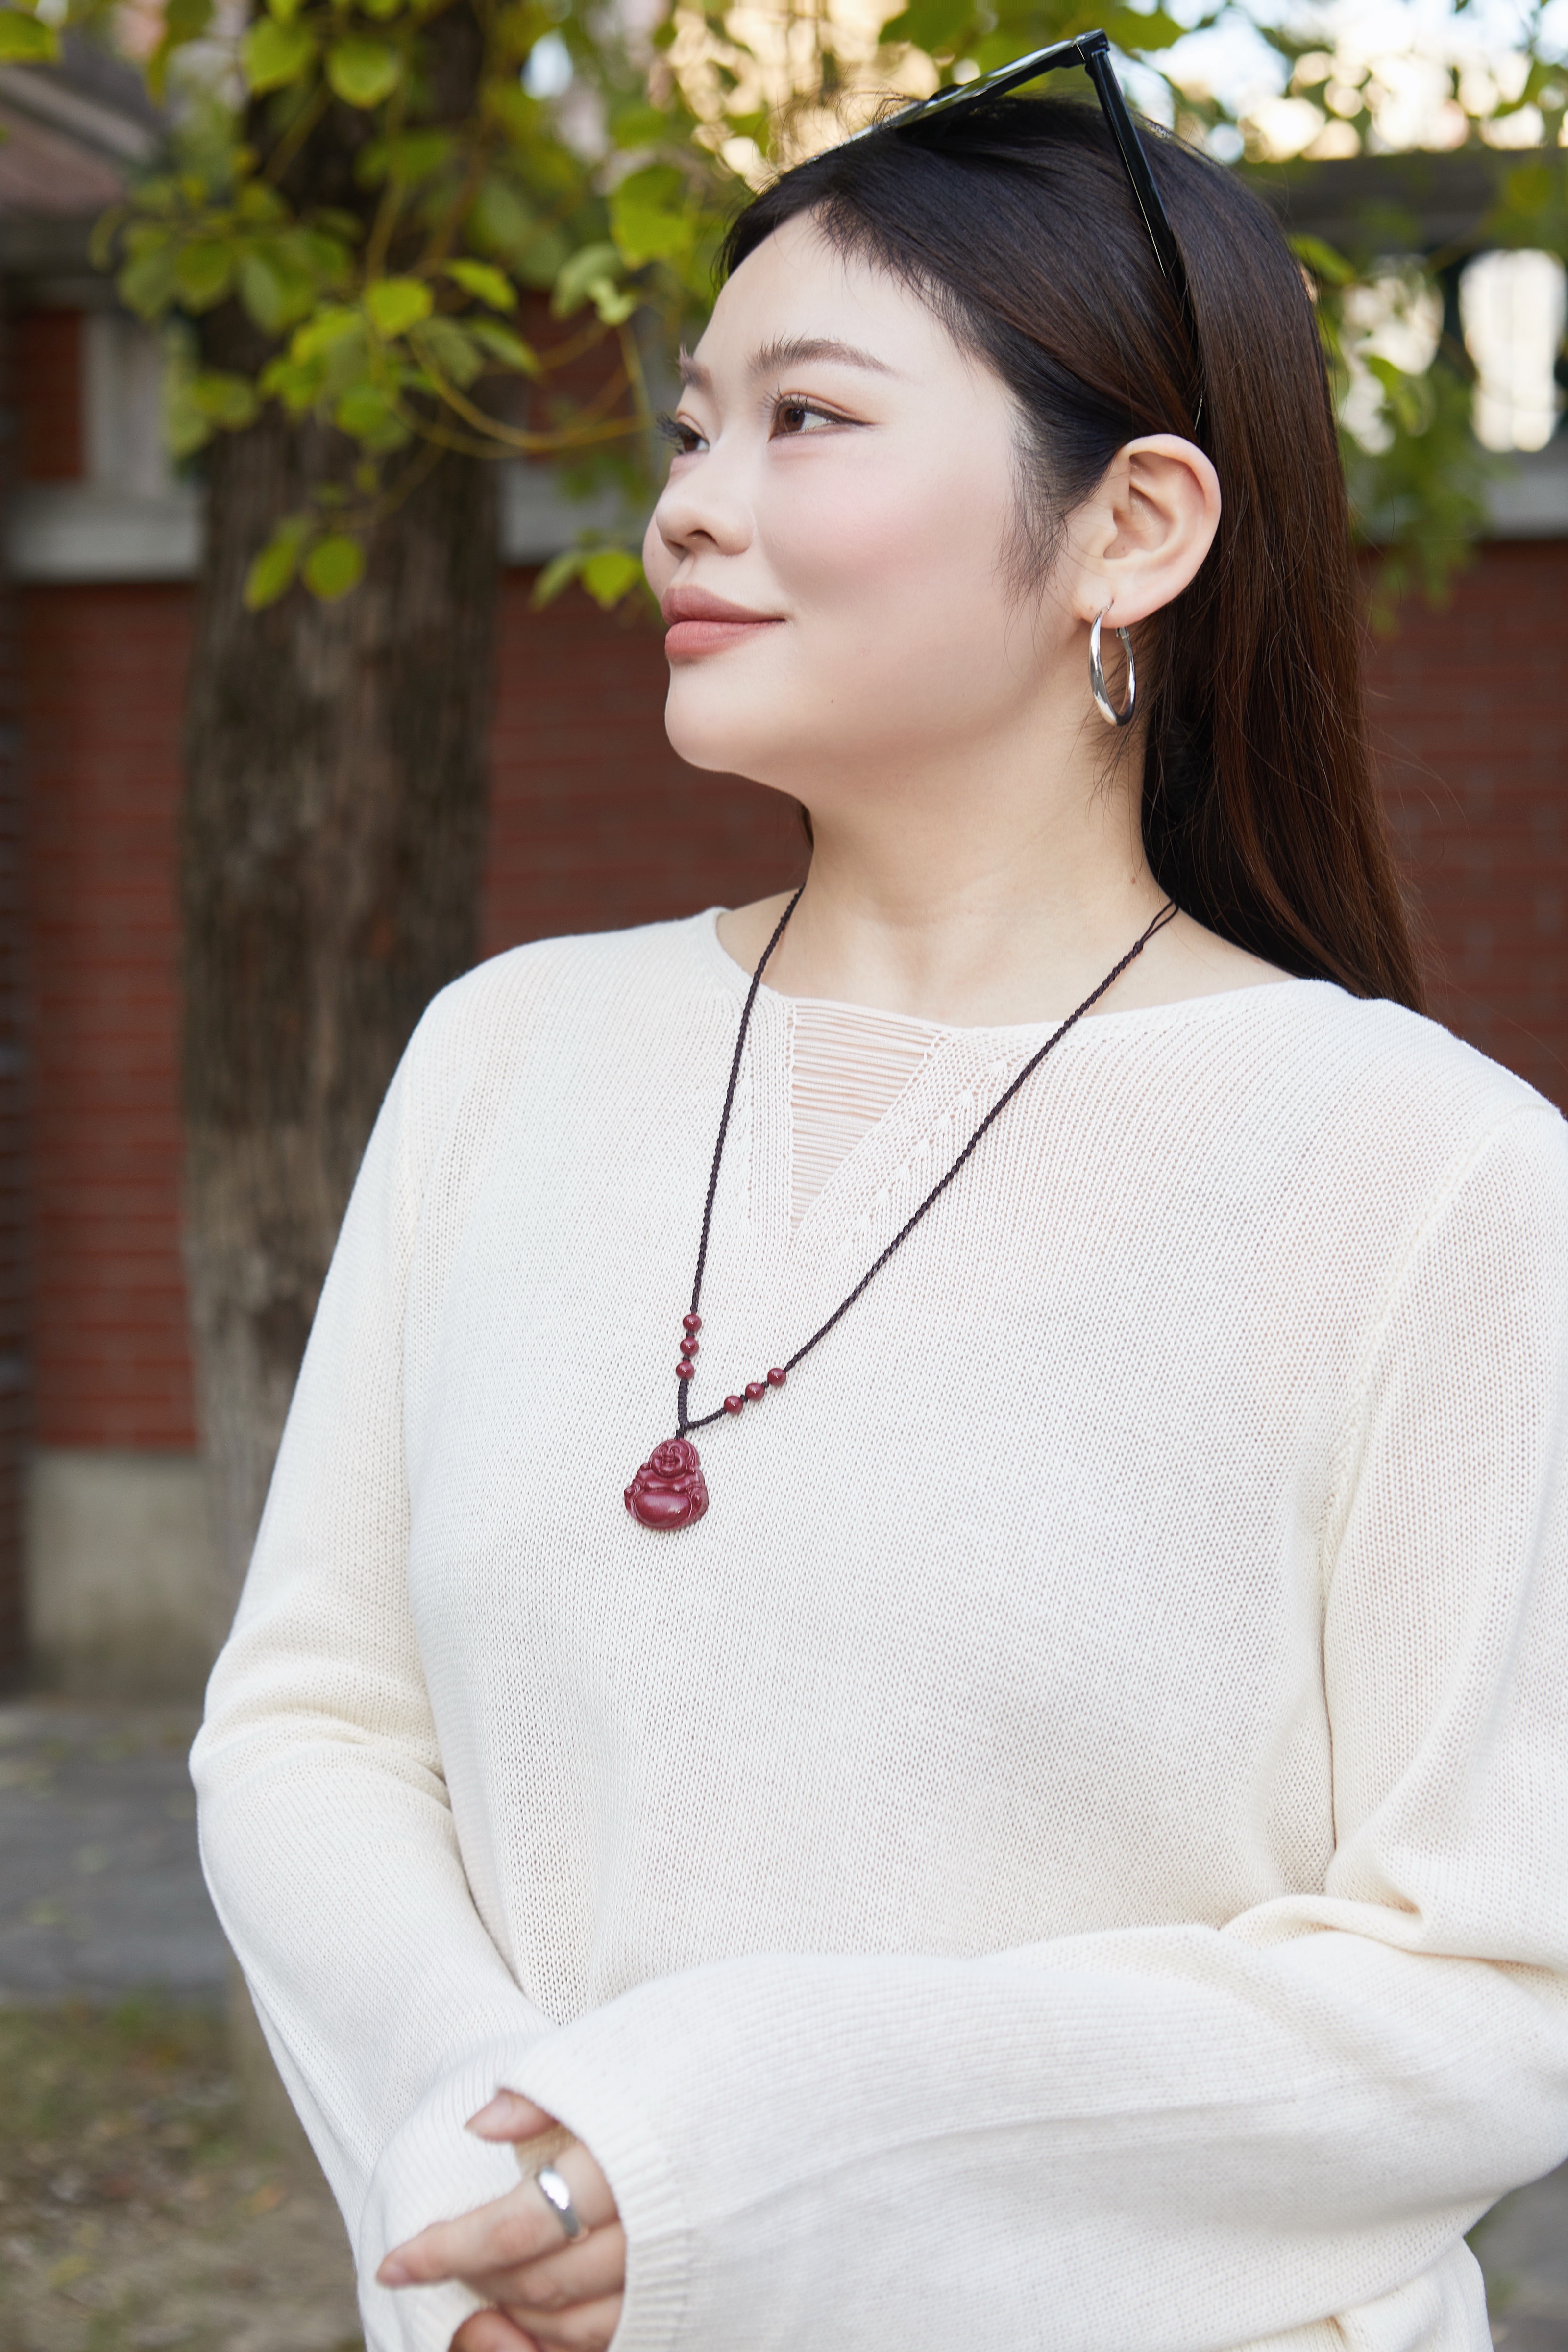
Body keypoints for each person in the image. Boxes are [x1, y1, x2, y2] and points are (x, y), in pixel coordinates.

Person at [192, 65, 1568, 2352]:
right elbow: (315, 1726)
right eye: (687, 429)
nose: (686, 508)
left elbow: (1492, 1980)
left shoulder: (1429, 1180)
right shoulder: (504, 1060)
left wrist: (719, 2148)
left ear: (1130, 527)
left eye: (805, 420)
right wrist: (484, 2158)